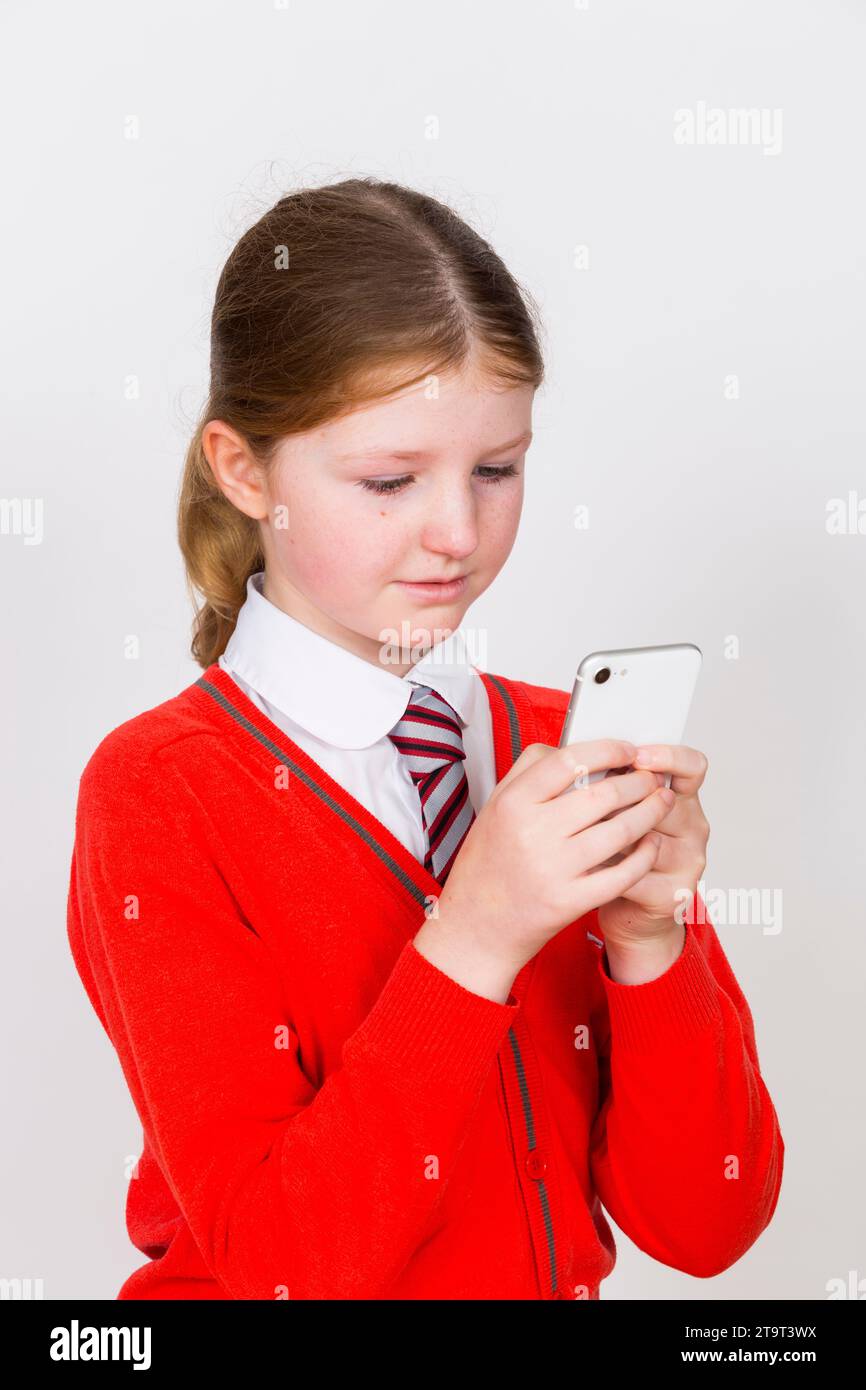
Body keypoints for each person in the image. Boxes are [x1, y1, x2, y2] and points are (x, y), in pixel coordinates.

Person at [66, 177, 784, 1300]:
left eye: (496, 469)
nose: (456, 532)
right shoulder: (162, 792)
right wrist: (476, 935)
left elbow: (704, 1224)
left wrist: (648, 940)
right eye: (390, 479)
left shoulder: (555, 747)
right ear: (244, 470)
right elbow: (280, 1269)